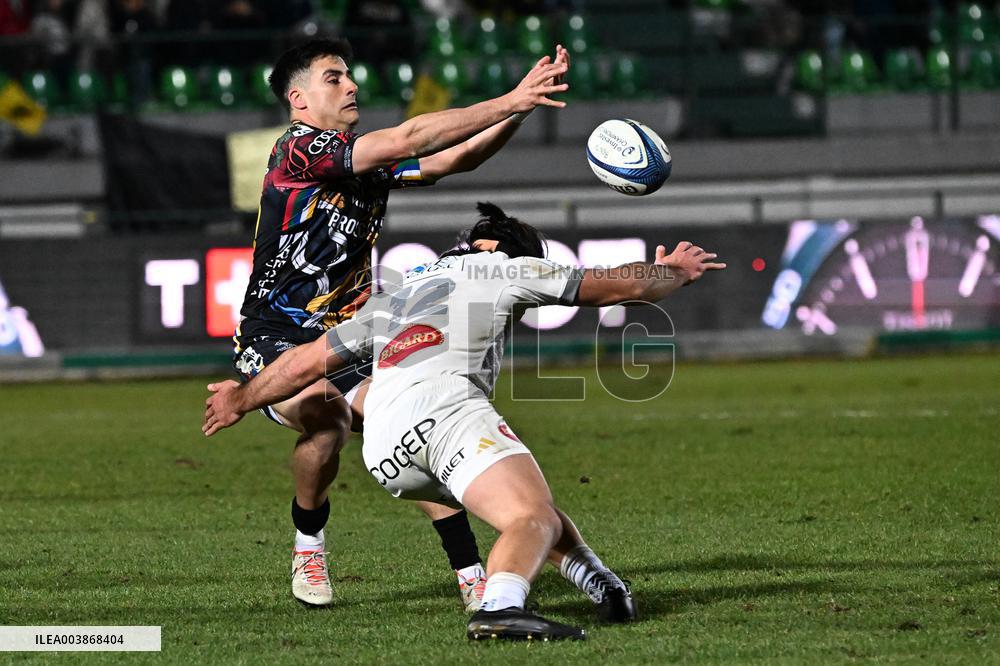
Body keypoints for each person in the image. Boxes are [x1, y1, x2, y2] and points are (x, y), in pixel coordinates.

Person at [205, 203, 727, 640]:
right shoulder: (502, 267)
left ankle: (604, 586)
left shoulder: (397, 297)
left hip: (386, 450)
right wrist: (675, 269)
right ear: (499, 249)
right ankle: (499, 607)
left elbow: (302, 362)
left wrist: (241, 399)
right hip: (446, 408)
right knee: (533, 518)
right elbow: (616, 287)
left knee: (527, 508)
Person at [230, 39, 570, 610]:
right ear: (299, 98)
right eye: (334, 78)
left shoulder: (364, 164)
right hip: (276, 338)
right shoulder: (298, 150)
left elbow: (454, 158)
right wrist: (508, 96)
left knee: (420, 425)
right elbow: (414, 138)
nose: (351, 85)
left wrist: (520, 107)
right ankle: (308, 543)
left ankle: (470, 575)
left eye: (349, 76)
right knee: (329, 417)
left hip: (353, 335)